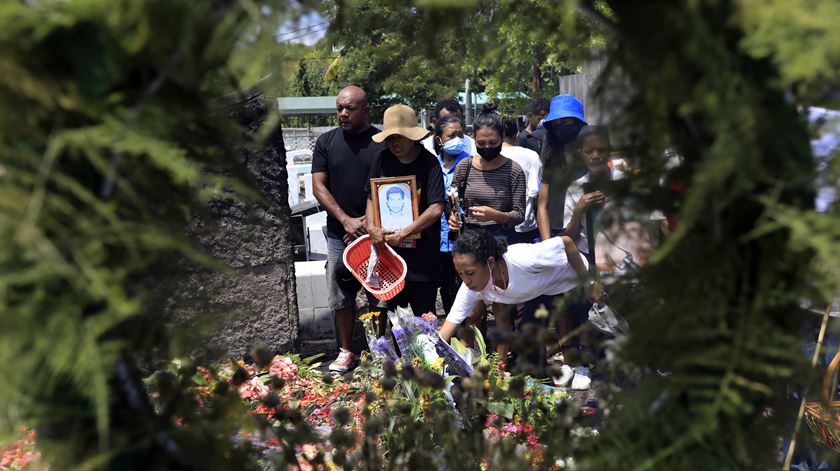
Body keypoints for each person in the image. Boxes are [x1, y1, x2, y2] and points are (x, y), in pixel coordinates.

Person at [437, 230, 603, 373]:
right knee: (530, 355)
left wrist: (589, 283)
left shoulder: (523, 259)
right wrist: (425, 359)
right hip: (539, 291)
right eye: (460, 274)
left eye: (471, 273)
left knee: (601, 338)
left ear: (490, 262)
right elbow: (448, 327)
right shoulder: (470, 289)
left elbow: (566, 243)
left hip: (575, 277)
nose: (466, 281)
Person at [312, 86, 386, 373]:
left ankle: (379, 348)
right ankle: (345, 350)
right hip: (337, 233)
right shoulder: (326, 142)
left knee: (378, 294)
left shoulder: (380, 142)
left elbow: (386, 186)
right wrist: (345, 220)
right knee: (341, 295)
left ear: (366, 109)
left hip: (376, 233)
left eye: (350, 108)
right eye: (339, 108)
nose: (343, 113)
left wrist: (367, 225)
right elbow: (319, 186)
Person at [447, 102, 527, 357]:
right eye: (482, 144)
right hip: (470, 242)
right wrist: (453, 218)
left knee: (502, 308)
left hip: (501, 242)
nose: (487, 148)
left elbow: (519, 215)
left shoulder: (513, 170)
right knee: (474, 308)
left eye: (493, 143)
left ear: (502, 138)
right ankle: (471, 361)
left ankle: (501, 365)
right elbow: (454, 202)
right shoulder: (464, 168)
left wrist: (497, 215)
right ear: (474, 140)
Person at [366, 104, 445, 315]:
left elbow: (436, 208)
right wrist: (372, 228)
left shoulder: (429, 163)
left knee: (424, 319)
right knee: (396, 320)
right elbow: (371, 198)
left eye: (399, 137)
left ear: (413, 137)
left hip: (422, 258)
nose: (393, 143)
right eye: (389, 138)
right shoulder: (381, 159)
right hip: (390, 257)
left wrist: (404, 233)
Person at [536, 94, 588, 241]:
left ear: (578, 122)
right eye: (556, 124)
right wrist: (547, 244)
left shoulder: (592, 156)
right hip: (556, 234)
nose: (561, 127)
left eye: (566, 121)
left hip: (587, 232)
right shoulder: (551, 159)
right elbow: (542, 206)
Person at [434, 115, 471, 312]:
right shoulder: (432, 164)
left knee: (465, 289)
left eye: (460, 134)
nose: (457, 138)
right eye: (452, 135)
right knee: (445, 288)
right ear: (440, 140)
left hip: (462, 237)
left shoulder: (470, 162)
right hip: (436, 238)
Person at [501, 116, 543, 244]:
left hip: (497, 225)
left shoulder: (484, 157)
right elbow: (536, 192)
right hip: (526, 224)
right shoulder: (531, 155)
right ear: (517, 135)